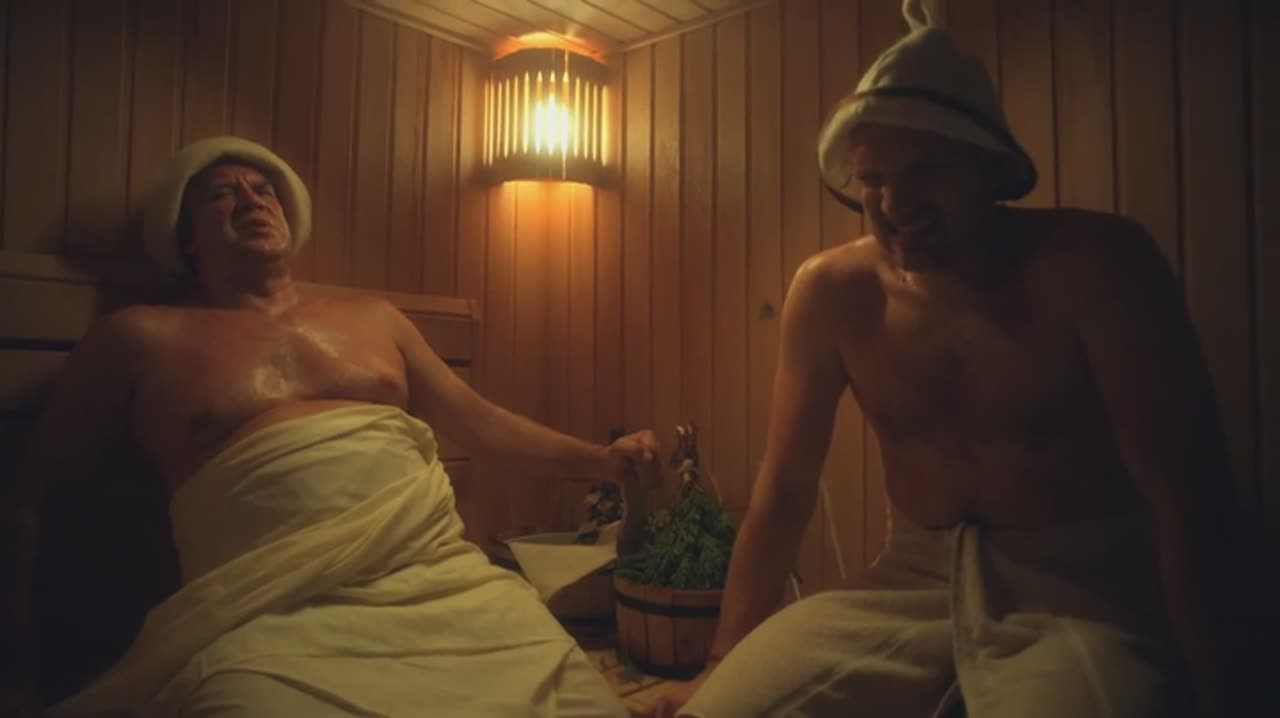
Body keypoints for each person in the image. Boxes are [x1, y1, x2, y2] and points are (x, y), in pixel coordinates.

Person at [652, 5, 1258, 718]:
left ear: (987, 167)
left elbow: (1188, 500)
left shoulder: (1097, 268)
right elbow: (784, 491)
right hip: (912, 580)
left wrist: (1222, 693)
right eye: (872, 178)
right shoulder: (831, 292)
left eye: (924, 172)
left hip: (1084, 591)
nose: (894, 204)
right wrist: (718, 663)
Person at [3, 135, 660, 716]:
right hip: (267, 618)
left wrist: (601, 460)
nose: (251, 201)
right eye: (222, 195)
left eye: (264, 190)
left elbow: (482, 423)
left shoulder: (374, 319)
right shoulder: (138, 338)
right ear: (186, 237)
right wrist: (21, 663)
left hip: (441, 580)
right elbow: (38, 495)